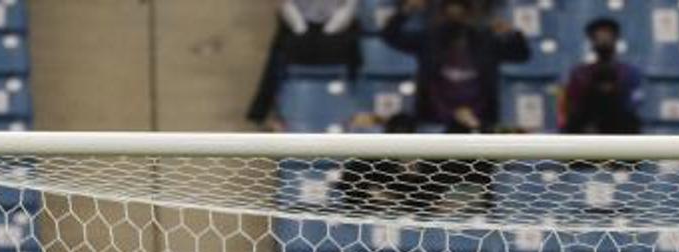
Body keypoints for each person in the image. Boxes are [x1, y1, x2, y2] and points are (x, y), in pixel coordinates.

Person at [381, 0, 529, 132]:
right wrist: (407, 10)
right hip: (434, 119)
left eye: (461, 14)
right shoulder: (429, 40)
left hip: (478, 120)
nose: (455, 21)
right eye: (450, 15)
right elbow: (390, 36)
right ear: (441, 16)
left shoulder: (486, 42)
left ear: (470, 16)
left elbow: (521, 55)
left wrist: (512, 34)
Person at [246, 0, 361, 129]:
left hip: (339, 24)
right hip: (297, 22)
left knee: (358, 60)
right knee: (277, 62)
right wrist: (300, 28)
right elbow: (284, 4)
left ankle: (357, 112)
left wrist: (330, 31)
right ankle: (266, 113)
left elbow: (350, 6)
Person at [559, 18, 642, 134]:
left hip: (620, 129)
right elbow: (571, 107)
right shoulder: (580, 73)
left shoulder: (628, 72)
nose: (604, 41)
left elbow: (632, 105)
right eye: (599, 37)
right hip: (586, 130)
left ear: (616, 39)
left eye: (608, 36)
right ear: (592, 41)